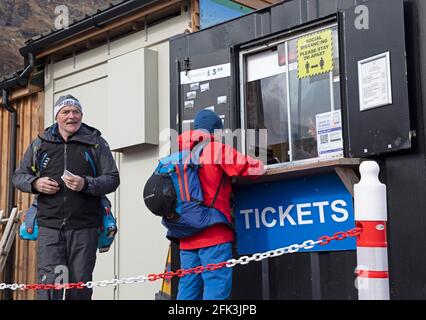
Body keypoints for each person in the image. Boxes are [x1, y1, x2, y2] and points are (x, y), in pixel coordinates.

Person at [13, 94, 120, 300]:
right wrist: (36, 183)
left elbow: (113, 179)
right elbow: (18, 177)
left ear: (81, 115)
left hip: (85, 226)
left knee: (79, 287)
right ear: (57, 117)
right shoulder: (41, 143)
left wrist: (86, 184)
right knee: (49, 286)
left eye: (76, 112)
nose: (72, 116)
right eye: (66, 112)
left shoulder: (95, 142)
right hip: (49, 227)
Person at [176, 109, 264, 300]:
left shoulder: (181, 154)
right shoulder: (216, 149)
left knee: (187, 292)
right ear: (215, 131)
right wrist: (262, 163)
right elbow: (251, 168)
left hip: (186, 237)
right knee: (216, 293)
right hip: (214, 234)